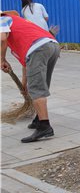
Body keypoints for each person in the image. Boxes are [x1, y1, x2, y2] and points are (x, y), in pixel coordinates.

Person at [1, 10, 61, 142]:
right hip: (52, 45)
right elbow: (26, 61)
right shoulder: (17, 23)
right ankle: (39, 119)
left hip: (38, 49)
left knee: (37, 89)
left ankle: (45, 127)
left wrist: (2, 59)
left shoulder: (2, 20)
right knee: (41, 84)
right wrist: (24, 82)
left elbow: (2, 39)